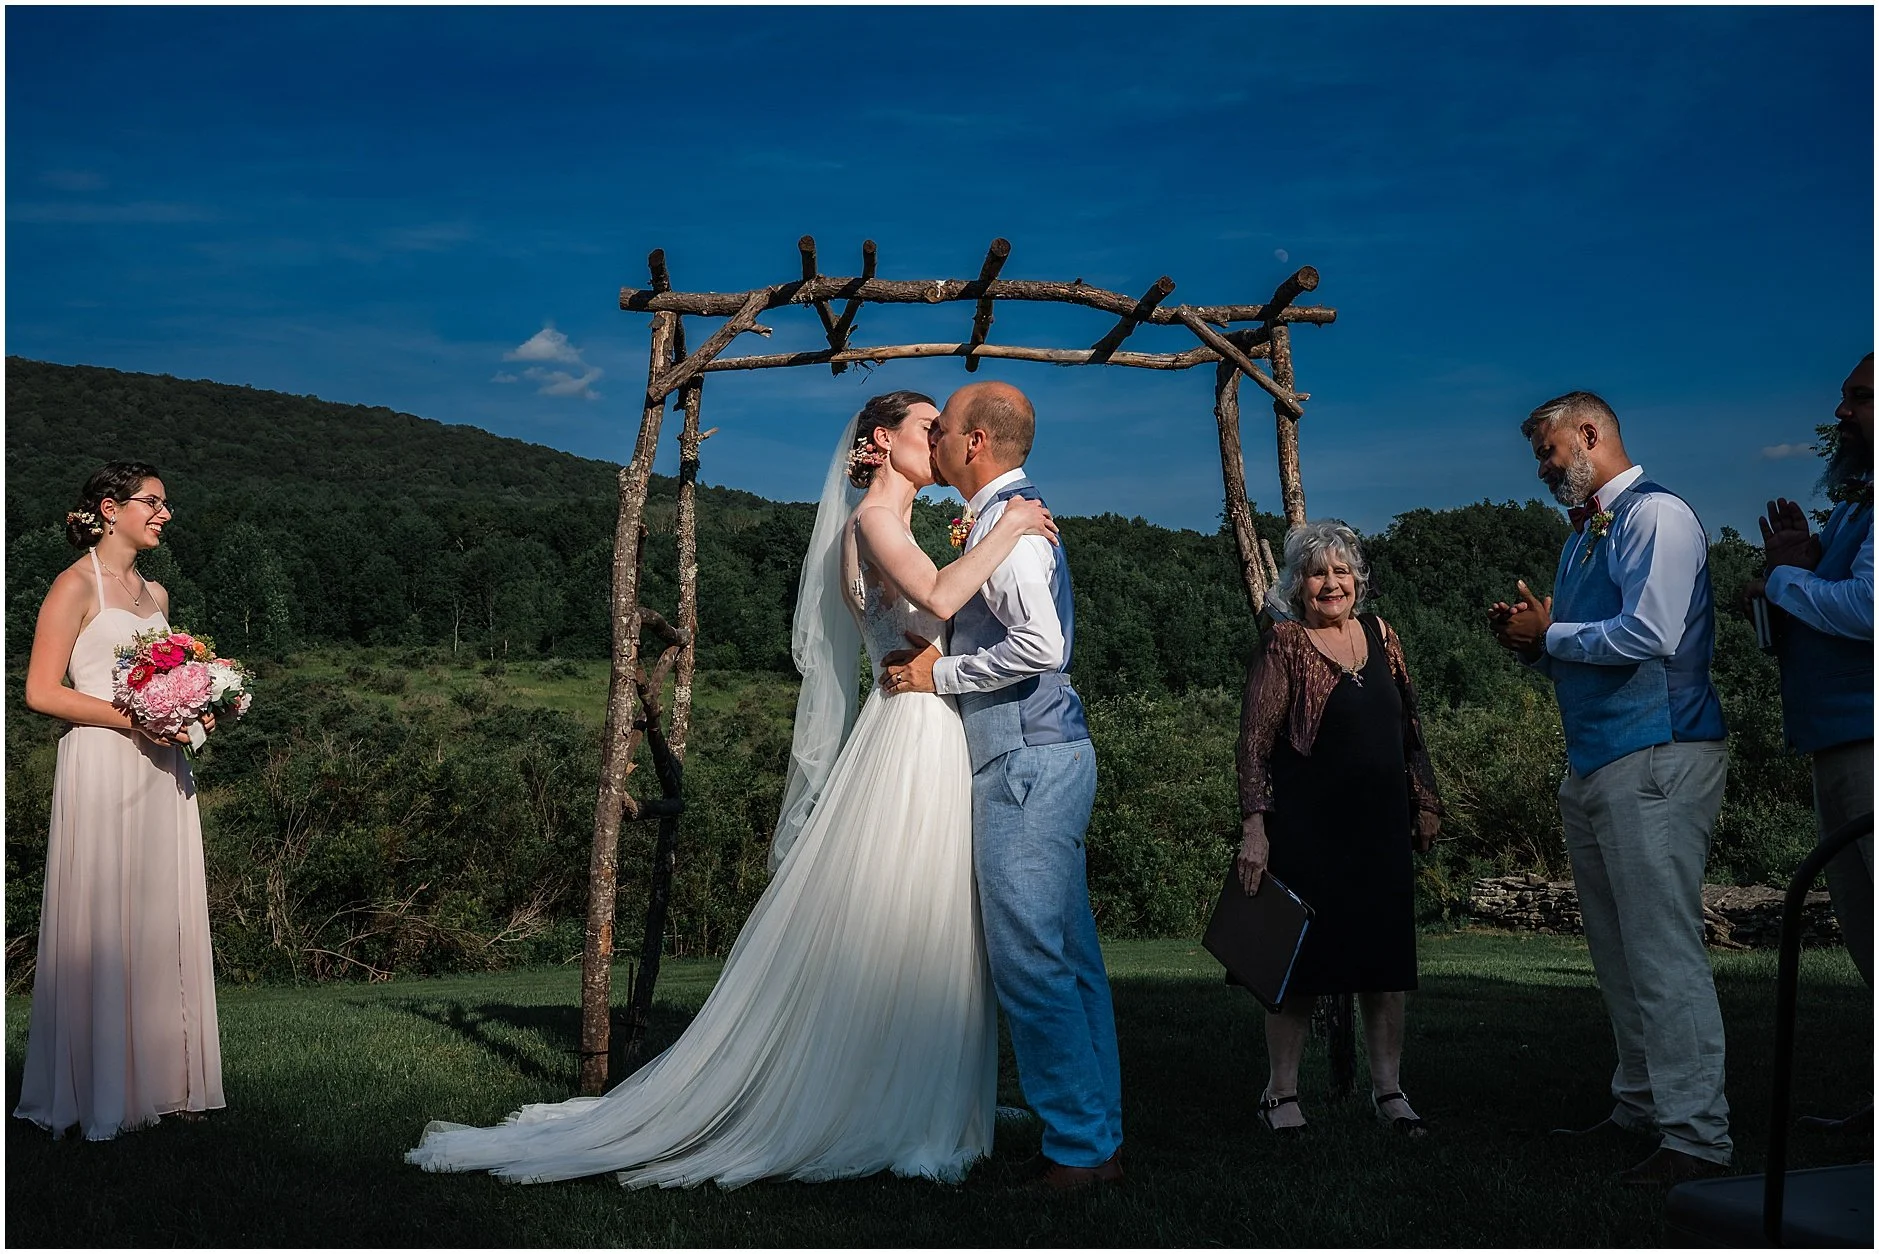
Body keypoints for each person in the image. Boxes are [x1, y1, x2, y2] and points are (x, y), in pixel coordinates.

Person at [407, 390, 1059, 1188]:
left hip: (924, 728)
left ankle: (920, 1090)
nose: (944, 439)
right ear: (882, 441)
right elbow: (943, 598)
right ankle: (886, 1102)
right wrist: (1013, 529)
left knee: (922, 924)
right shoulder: (873, 524)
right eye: (929, 427)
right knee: (906, 914)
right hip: (916, 736)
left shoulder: (900, 524)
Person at [881, 380, 1125, 1191]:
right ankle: (1096, 1137)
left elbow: (1041, 646)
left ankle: (1076, 1151)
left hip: (1026, 759)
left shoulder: (1012, 528)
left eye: (945, 427)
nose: (939, 436)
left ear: (974, 443)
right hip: (1043, 757)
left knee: (1030, 962)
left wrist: (939, 675)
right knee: (1069, 957)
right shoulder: (1001, 518)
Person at [1490, 391, 1732, 1186]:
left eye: (1547, 451)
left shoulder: (1651, 517)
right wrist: (1535, 642)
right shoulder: (1584, 536)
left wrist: (1550, 633)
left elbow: (1651, 633)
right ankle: (1639, 1106)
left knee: (1661, 950)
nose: (1540, 468)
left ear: (1589, 434)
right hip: (1598, 760)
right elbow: (1594, 644)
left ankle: (1696, 1138)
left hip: (1658, 752)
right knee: (1617, 953)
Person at [15, 462, 224, 1140]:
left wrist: (196, 707)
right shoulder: (74, 585)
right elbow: (42, 691)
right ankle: (97, 1092)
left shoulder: (156, 592)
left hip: (161, 771)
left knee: (158, 915)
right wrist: (132, 718)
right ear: (110, 507)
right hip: (103, 764)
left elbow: (163, 681)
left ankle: (165, 1082)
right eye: (153, 503)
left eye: (166, 504)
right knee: (104, 920)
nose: (165, 514)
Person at [1231, 520, 1442, 1137]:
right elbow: (1253, 746)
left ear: (1358, 580)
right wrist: (1255, 829)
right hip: (1307, 828)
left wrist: (1426, 800)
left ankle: (1389, 1091)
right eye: (1318, 572)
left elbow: (1411, 728)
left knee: (1384, 964)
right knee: (1298, 966)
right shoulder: (1284, 644)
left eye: (1342, 571)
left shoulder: (1382, 635)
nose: (1332, 583)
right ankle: (1281, 1094)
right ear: (1297, 585)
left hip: (1380, 826)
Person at [1747, 352, 1872, 1132]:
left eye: (1859, 399)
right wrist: (1788, 572)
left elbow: (1866, 610)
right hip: (1836, 737)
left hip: (1873, 737)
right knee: (1865, 931)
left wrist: (1786, 579)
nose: (1843, 414)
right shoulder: (1855, 508)